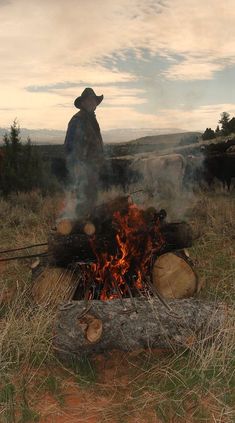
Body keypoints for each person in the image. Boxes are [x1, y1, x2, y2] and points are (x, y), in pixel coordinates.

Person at [64, 87, 104, 217]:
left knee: (91, 198)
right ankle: (79, 228)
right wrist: (78, 166)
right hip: (82, 167)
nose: (92, 103)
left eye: (94, 100)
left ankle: (88, 227)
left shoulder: (91, 119)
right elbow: (69, 146)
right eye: (89, 100)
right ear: (82, 103)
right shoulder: (77, 120)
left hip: (92, 167)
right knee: (82, 199)